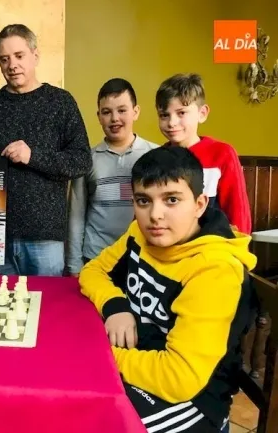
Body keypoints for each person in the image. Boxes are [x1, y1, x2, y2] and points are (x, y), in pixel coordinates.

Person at [79, 146, 257, 432]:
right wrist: (115, 306)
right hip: (141, 360)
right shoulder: (139, 233)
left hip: (195, 400)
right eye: (143, 201)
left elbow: (178, 378)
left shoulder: (215, 270)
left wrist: (100, 353)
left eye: (171, 200)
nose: (155, 215)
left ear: (199, 204)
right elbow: (93, 270)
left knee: (86, 417)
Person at [0, 24, 91, 276]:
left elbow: (81, 161)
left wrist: (33, 156)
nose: (12, 65)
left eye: (19, 56)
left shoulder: (61, 102)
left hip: (44, 237)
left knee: (46, 301)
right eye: (4, 59)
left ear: (35, 56)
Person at [66, 78, 158, 276]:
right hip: (96, 258)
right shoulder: (86, 159)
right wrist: (74, 266)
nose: (114, 118)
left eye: (122, 110)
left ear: (136, 112)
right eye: (107, 112)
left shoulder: (156, 155)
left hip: (143, 258)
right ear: (99, 117)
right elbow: (76, 215)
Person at [156, 73, 251, 234]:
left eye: (181, 113)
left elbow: (238, 211)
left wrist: (238, 247)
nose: (172, 122)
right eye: (164, 115)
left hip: (212, 245)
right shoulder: (158, 158)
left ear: (202, 113)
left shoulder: (222, 154)